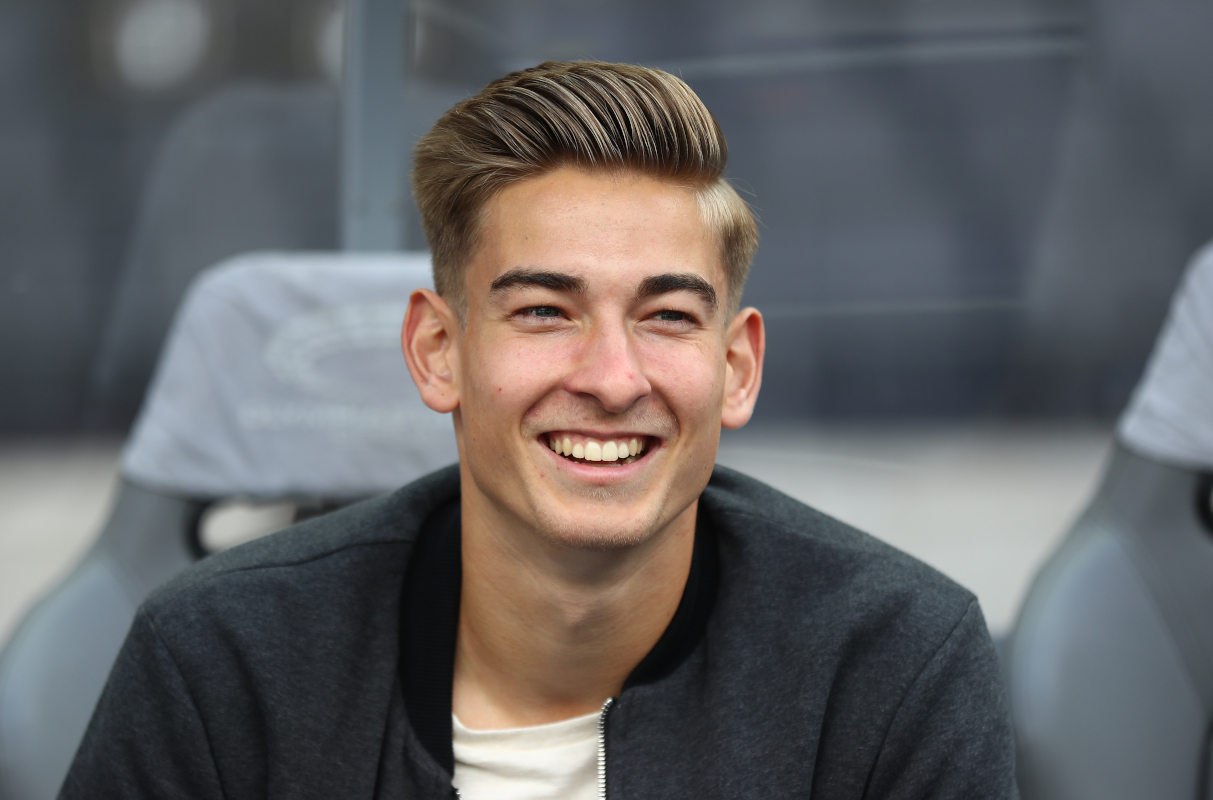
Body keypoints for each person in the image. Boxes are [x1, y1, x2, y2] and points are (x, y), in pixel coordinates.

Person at [61, 61, 1015, 799]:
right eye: (544, 312)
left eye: (668, 317)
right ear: (439, 352)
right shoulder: (220, 660)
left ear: (737, 369)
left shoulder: (890, 664)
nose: (611, 378)